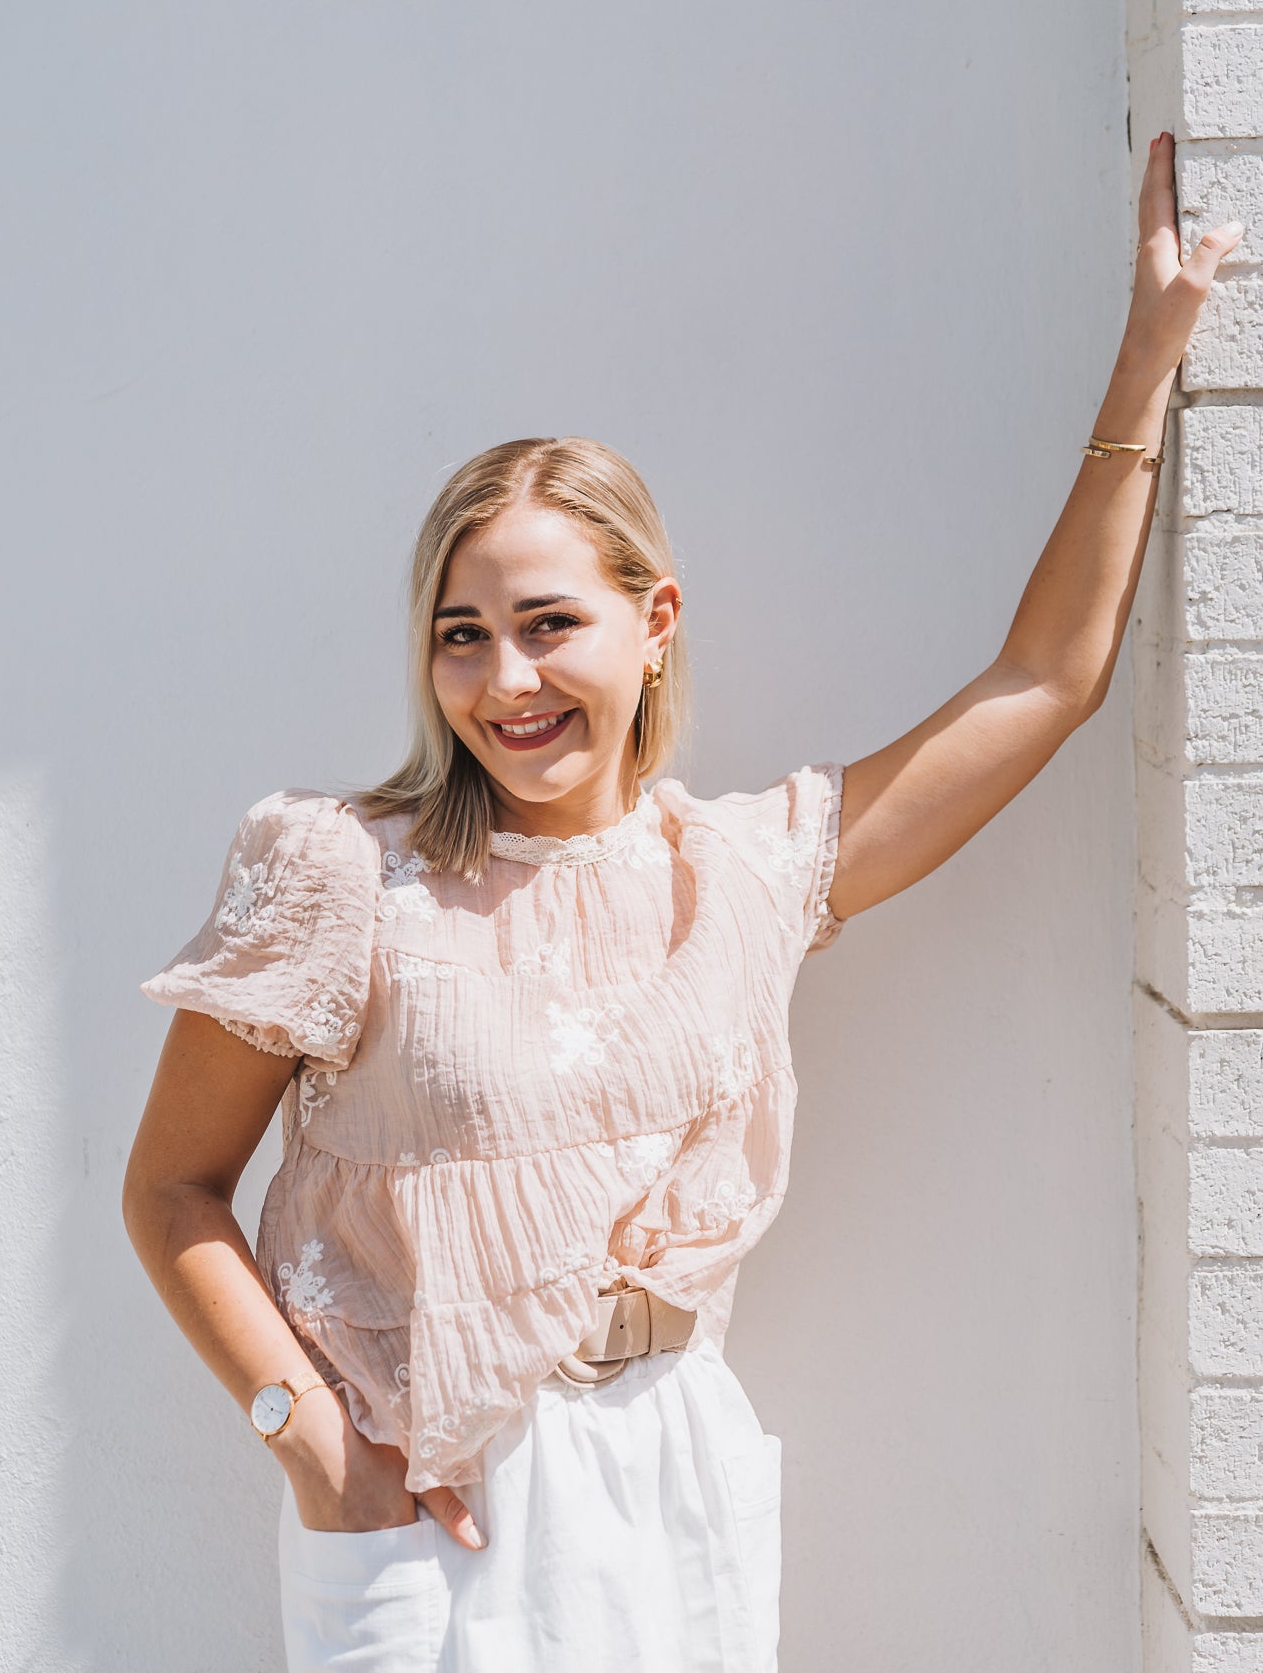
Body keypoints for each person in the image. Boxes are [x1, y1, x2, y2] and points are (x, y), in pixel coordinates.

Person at [123, 133, 1240, 1672]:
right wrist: (310, 1441)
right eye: (461, 635)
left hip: (672, 1474)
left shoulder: (746, 870)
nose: (501, 681)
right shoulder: (339, 868)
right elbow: (173, 1189)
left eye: (546, 624)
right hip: (426, 1507)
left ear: (652, 624)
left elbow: (1043, 683)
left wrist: (1146, 362)